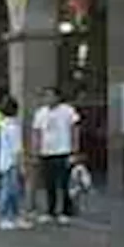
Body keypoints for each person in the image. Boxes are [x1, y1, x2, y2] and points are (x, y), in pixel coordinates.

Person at [32, 86, 81, 224]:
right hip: (46, 152)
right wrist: (36, 152)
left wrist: (75, 150)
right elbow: (37, 133)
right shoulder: (40, 113)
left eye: (51, 95)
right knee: (49, 184)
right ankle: (50, 210)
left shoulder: (68, 111)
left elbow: (75, 129)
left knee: (64, 183)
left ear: (58, 97)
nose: (48, 98)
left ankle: (66, 211)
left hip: (63, 151)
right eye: (45, 96)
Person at [0, 96, 32, 231]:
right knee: (11, 191)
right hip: (12, 163)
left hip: (5, 161)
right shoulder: (13, 126)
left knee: (11, 191)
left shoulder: (3, 124)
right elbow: (17, 149)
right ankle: (7, 217)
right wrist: (22, 165)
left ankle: (13, 217)